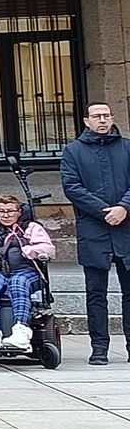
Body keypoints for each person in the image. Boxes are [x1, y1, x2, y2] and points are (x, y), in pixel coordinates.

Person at [60, 102, 130, 365]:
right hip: (94, 229)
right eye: (96, 116)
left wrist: (124, 207)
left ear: (112, 118)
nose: (102, 120)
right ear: (86, 120)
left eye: (106, 115)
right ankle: (99, 347)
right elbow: (72, 187)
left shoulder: (127, 147)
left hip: (126, 226)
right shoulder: (73, 151)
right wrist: (104, 211)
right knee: (96, 293)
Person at [0, 193, 55, 350]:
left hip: (26, 271)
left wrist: (28, 249)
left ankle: (21, 331)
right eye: (1, 211)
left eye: (10, 211)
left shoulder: (32, 228)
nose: (5, 215)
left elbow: (49, 249)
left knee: (18, 282)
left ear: (19, 211)